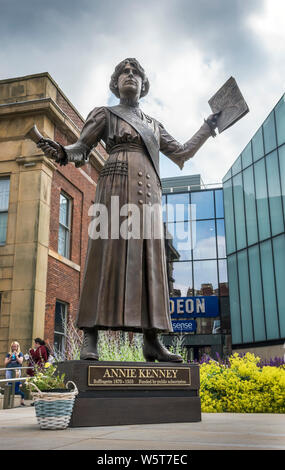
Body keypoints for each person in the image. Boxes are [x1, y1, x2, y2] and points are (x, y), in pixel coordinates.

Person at [37, 58, 219, 362]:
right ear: (116, 82)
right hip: (115, 189)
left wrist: (208, 126)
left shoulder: (154, 125)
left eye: (136, 73)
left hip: (149, 195)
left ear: (144, 85)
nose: (131, 76)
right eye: (125, 72)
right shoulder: (105, 114)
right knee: (105, 255)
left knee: (150, 263)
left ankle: (152, 341)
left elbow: (184, 153)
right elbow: (82, 148)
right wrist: (63, 152)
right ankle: (90, 338)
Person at [5, 341, 25, 406]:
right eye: (13, 346)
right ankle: (8, 400)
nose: (14, 348)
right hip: (9, 370)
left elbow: (21, 362)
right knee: (9, 383)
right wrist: (10, 358)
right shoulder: (8, 354)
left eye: (15, 346)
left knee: (16, 383)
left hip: (17, 370)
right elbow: (5, 363)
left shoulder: (20, 353)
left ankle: (17, 398)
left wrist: (16, 356)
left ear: (17, 347)